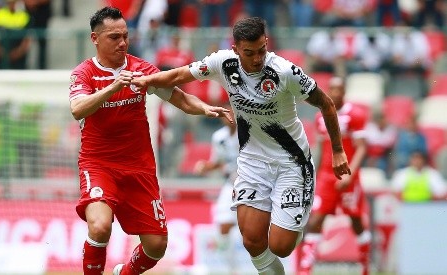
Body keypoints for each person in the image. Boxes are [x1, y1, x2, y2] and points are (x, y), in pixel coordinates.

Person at [132, 16, 351, 274]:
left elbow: (326, 103)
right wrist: (148, 80)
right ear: (235, 49)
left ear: (266, 43)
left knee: (281, 246)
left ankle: (291, 218)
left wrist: (337, 150)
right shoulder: (222, 63)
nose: (257, 58)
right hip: (252, 163)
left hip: (291, 165)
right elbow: (181, 74)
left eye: (261, 51)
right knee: (252, 240)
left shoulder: (284, 71)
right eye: (249, 53)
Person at [68, 7, 231, 275]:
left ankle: (125, 273)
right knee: (99, 226)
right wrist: (112, 87)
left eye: (125, 36)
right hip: (99, 165)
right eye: (114, 37)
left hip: (139, 168)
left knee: (156, 245)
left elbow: (178, 97)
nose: (122, 42)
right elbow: (77, 109)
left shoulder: (141, 70)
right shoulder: (84, 73)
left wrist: (204, 108)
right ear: (94, 39)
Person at [296, 76, 371, 275]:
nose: (336, 93)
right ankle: (305, 269)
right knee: (315, 221)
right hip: (326, 178)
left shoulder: (355, 115)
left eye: (339, 89)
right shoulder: (321, 116)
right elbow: (321, 149)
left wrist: (350, 175)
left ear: (345, 91)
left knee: (355, 221)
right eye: (333, 89)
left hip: (348, 176)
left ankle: (364, 265)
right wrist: (312, 176)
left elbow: (362, 148)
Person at [193, 103, 239, 271]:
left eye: (233, 113)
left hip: (253, 184)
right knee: (223, 224)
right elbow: (218, 162)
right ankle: (231, 269)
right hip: (230, 185)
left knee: (253, 227)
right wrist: (206, 166)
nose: (230, 116)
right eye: (227, 113)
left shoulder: (249, 133)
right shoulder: (219, 137)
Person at [0, 0, 32, 69]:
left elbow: (27, 39)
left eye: (13, 2)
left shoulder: (24, 15)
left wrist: (17, 53)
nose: (11, 4)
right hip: (1, 57)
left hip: (19, 59)